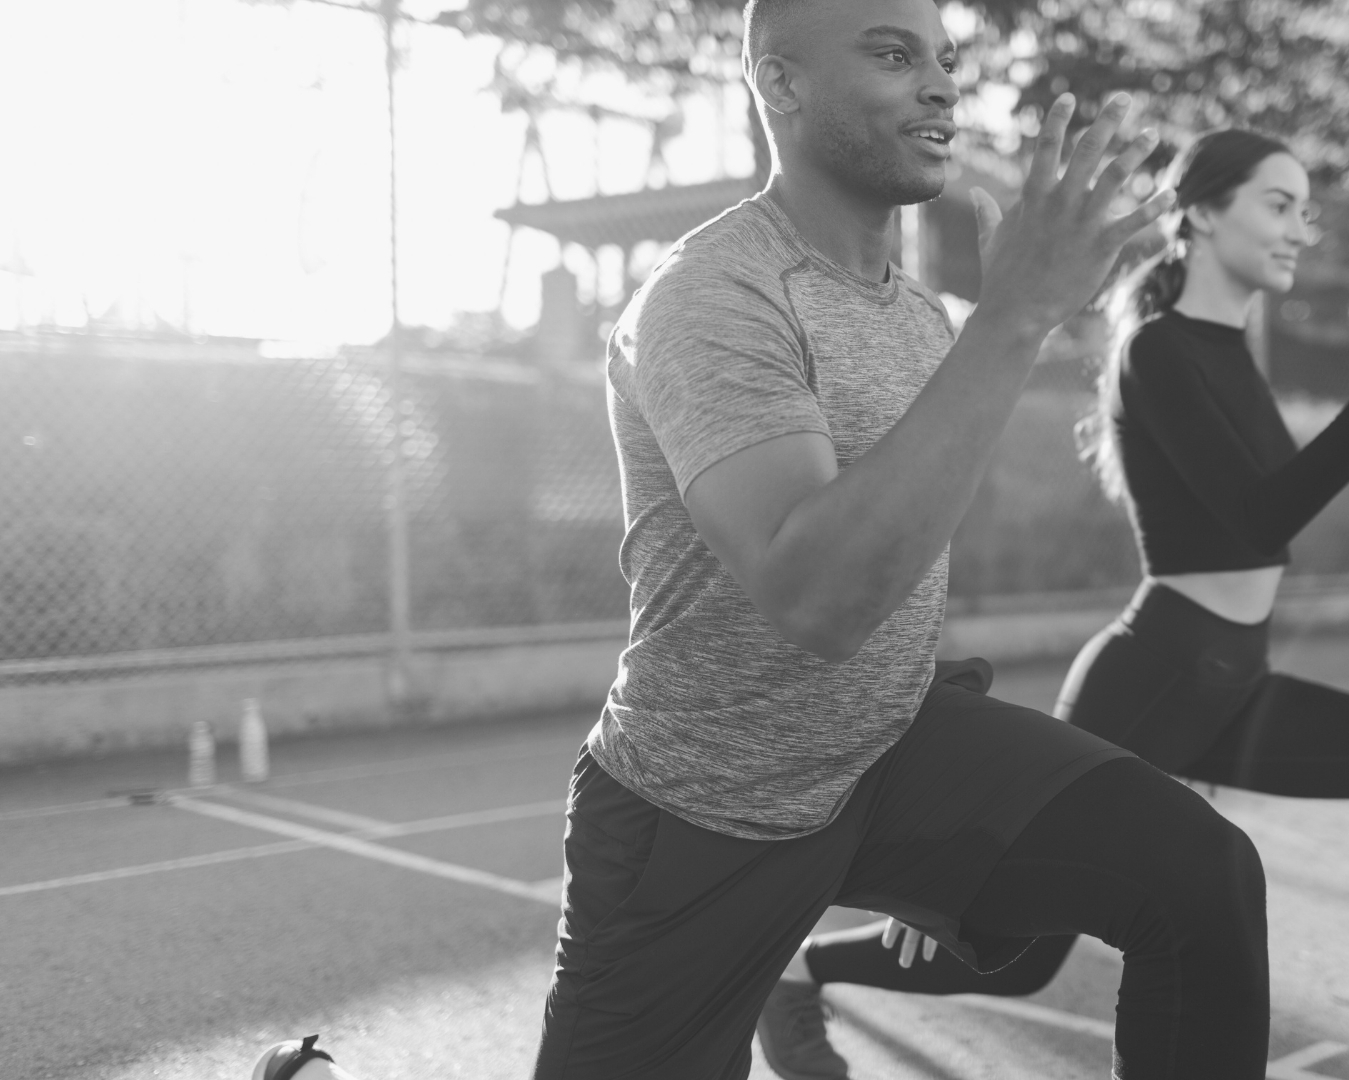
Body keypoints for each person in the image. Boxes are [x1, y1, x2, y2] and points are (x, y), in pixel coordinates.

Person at [257, 2, 1282, 1079]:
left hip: (886, 758)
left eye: (946, 58)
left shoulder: (920, 317)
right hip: (704, 812)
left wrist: (955, 840)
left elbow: (901, 559)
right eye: (893, 54)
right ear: (782, 86)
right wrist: (1014, 316)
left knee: (1200, 876)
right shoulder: (712, 296)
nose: (940, 84)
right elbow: (818, 595)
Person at [758, 129, 1349, 1080]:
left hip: (1237, 682)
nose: (1298, 228)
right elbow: (1261, 517)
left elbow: (1270, 519)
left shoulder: (1228, 352)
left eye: (1304, 209)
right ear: (1202, 212)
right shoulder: (1156, 352)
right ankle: (797, 968)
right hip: (1153, 679)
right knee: (1018, 956)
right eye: (1277, 205)